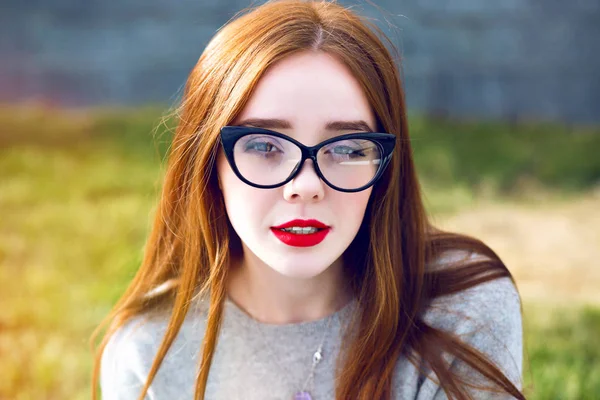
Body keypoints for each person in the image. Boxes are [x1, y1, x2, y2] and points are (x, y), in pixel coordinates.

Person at [92, 1, 524, 399]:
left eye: (349, 149)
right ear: (210, 165)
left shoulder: (461, 308)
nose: (306, 185)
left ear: (385, 169)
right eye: (263, 146)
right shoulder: (146, 353)